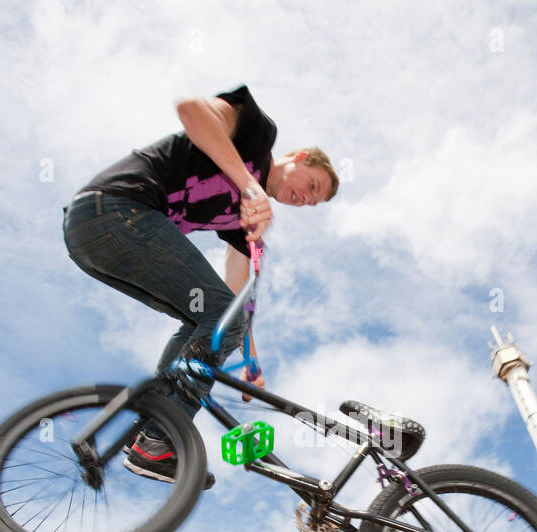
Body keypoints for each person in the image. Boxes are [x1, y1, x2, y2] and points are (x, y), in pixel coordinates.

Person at [62, 85, 339, 486]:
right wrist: (248, 182)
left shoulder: (245, 225)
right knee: (214, 316)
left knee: (206, 319)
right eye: (311, 186)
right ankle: (159, 437)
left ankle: (154, 427)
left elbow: (235, 300)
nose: (302, 200)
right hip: (114, 208)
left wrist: (249, 359)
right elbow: (190, 109)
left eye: (309, 204)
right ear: (299, 158)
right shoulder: (258, 135)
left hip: (94, 242)